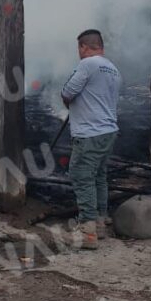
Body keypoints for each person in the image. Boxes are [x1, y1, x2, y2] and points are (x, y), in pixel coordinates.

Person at [61, 29, 122, 250]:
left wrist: (68, 102)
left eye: (79, 48)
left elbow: (68, 92)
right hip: (108, 131)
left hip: (90, 133)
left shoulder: (87, 64)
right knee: (98, 176)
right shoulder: (113, 69)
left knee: (81, 175)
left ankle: (87, 232)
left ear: (84, 47)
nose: (79, 52)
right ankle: (100, 223)